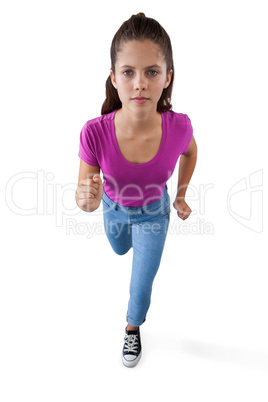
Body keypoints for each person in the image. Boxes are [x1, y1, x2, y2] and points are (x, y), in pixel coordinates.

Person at [75, 13, 197, 368]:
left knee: (141, 283)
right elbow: (84, 194)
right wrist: (88, 200)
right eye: (128, 72)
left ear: (167, 77)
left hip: (154, 215)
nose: (140, 83)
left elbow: (191, 151)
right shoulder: (94, 132)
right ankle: (124, 237)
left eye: (152, 72)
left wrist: (181, 194)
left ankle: (132, 327)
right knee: (118, 249)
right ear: (114, 78)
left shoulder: (179, 126)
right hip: (113, 208)